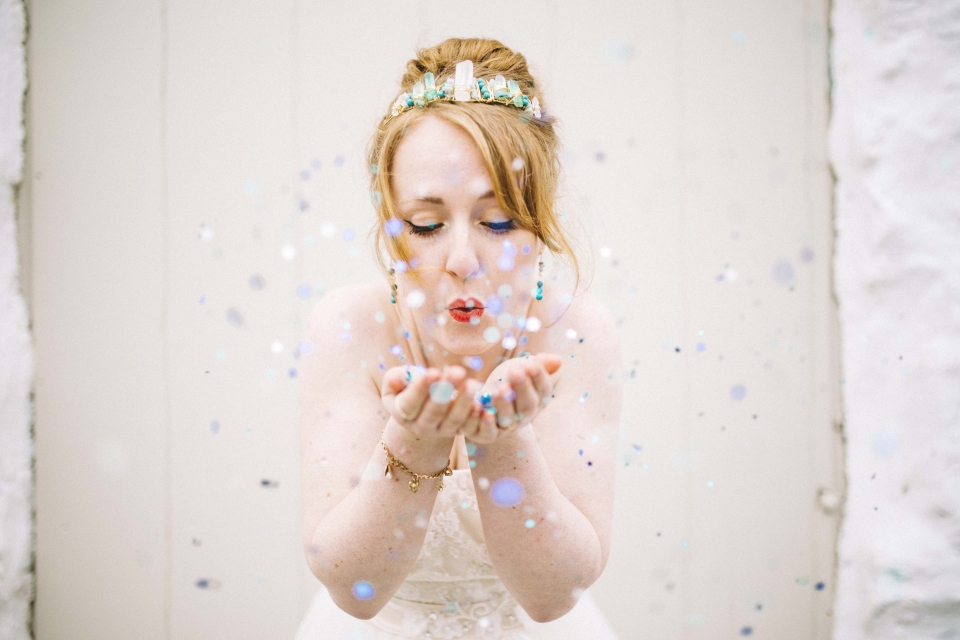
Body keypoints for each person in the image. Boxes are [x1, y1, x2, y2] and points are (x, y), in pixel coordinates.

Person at [295, 37, 623, 639]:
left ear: (540, 222)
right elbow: (353, 591)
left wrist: (501, 444)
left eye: (497, 221)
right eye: (427, 224)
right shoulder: (347, 328)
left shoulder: (577, 333)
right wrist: (415, 441)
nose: (462, 259)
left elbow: (554, 598)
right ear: (391, 228)